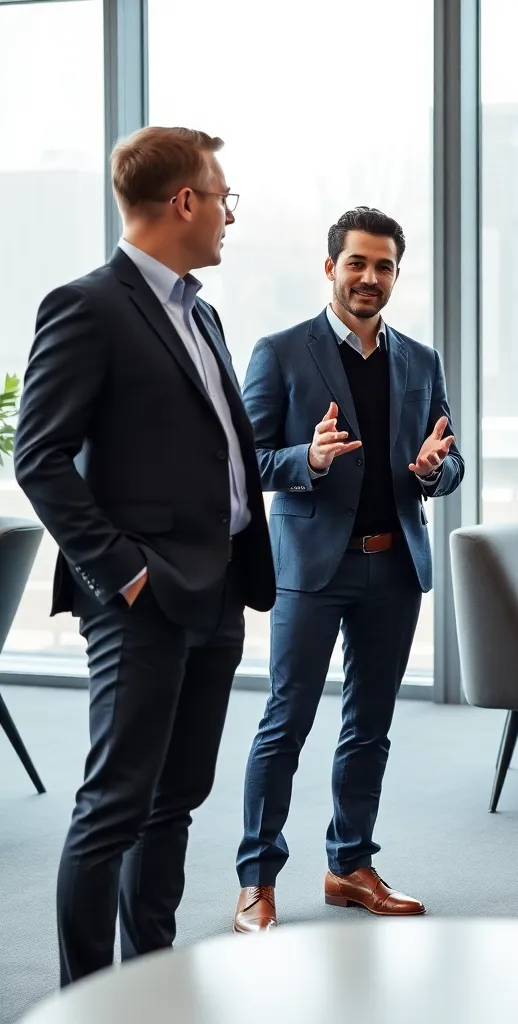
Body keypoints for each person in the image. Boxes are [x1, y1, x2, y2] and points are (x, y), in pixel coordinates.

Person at [13, 127, 275, 986]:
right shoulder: (87, 305)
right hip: (143, 600)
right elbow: (39, 456)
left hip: (220, 588)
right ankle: (85, 999)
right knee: (115, 806)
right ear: (185, 202)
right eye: (224, 197)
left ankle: (147, 981)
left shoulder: (201, 310)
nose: (231, 214)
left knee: (176, 802)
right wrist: (122, 571)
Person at [233, 207, 464, 931]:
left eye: (384, 266)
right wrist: (308, 458)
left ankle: (349, 865)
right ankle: (258, 880)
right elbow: (243, 460)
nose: (370, 277)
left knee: (370, 726)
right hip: (310, 568)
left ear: (397, 273)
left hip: (392, 568)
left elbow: (451, 459)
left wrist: (434, 470)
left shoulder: (420, 361)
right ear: (330, 267)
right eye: (357, 263)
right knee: (286, 721)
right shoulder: (280, 351)